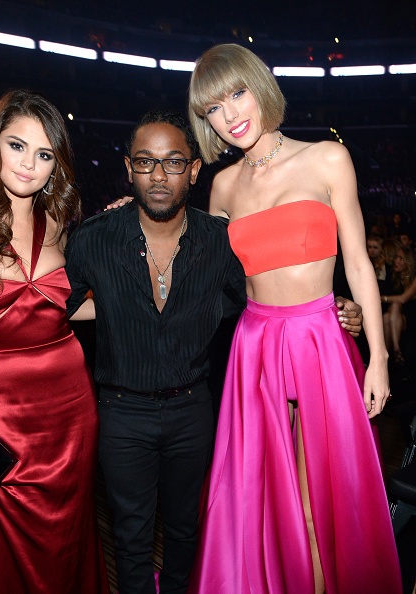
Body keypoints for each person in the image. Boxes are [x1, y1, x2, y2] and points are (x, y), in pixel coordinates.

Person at [0, 110, 363, 594]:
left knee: (185, 533)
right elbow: (48, 309)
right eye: (145, 162)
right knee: (130, 539)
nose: (158, 175)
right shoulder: (93, 238)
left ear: (193, 171)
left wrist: (333, 307)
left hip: (192, 410)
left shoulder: (219, 242)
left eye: (173, 162)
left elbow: (264, 297)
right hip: (120, 414)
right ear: (128, 170)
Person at [186, 44, 401, 594]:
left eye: (237, 94)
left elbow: (358, 262)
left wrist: (378, 357)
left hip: (319, 339)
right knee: (258, 497)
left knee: (316, 501)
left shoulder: (327, 159)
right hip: (254, 345)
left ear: (260, 88)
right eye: (213, 108)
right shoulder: (223, 186)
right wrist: (136, 220)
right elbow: (203, 276)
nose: (230, 115)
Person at [0, 89, 109, 594]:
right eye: (17, 146)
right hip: (6, 417)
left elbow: (61, 307)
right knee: (21, 546)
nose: (29, 164)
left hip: (73, 408)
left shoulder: (60, 225)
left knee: (74, 534)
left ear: (56, 166)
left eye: (44, 154)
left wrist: (133, 301)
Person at [381, 245, 416, 368]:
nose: (396, 261)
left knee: (395, 305)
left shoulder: (414, 278)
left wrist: (382, 298)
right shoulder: (393, 276)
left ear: (409, 262)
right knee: (386, 317)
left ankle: (390, 355)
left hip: (410, 317)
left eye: (401, 259)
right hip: (394, 317)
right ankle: (396, 352)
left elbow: (403, 299)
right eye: (396, 257)